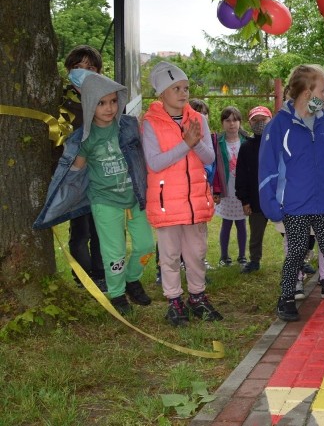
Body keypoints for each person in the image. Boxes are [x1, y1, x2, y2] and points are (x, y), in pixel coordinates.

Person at [34, 70, 155, 315]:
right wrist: (61, 200)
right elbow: (75, 174)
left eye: (113, 101)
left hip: (134, 198)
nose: (109, 108)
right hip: (104, 201)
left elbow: (145, 155)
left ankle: (132, 279)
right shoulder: (83, 139)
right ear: (90, 104)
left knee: (145, 245)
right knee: (115, 251)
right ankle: (118, 293)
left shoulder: (129, 126)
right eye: (101, 103)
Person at [258, 64, 324, 322]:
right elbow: (267, 167)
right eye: (323, 89)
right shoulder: (279, 125)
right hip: (295, 204)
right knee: (297, 251)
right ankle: (286, 298)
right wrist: (272, 205)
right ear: (307, 91)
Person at [142, 61, 222, 326]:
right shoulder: (151, 123)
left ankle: (197, 297)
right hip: (168, 204)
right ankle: (174, 300)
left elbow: (210, 157)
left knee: (197, 253)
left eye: (186, 87)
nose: (183, 93)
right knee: (170, 255)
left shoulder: (199, 120)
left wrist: (195, 144)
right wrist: (185, 144)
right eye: (176, 88)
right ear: (161, 93)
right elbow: (155, 163)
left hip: (195, 201)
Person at [60, 45, 106, 291]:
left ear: (98, 71)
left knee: (101, 228)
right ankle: (82, 275)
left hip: (101, 178)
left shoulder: (106, 98)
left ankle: (101, 273)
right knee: (80, 230)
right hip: (76, 178)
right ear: (69, 70)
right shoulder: (62, 102)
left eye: (90, 68)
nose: (83, 73)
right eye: (77, 68)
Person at [235, 105, 272, 274]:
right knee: (256, 233)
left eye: (263, 120)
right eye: (255, 120)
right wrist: (244, 199)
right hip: (256, 199)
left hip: (278, 198)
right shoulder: (246, 147)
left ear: (270, 120)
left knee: (288, 232)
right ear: (249, 123)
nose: (259, 123)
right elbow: (241, 175)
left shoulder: (277, 143)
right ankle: (254, 260)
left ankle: (298, 260)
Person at [213, 106, 249, 267]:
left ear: (240, 122)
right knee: (226, 223)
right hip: (226, 189)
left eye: (235, 120)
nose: (231, 124)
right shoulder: (218, 142)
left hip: (241, 190)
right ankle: (224, 256)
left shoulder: (246, 141)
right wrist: (216, 190)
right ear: (222, 123)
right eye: (227, 120)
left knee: (241, 224)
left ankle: (242, 256)